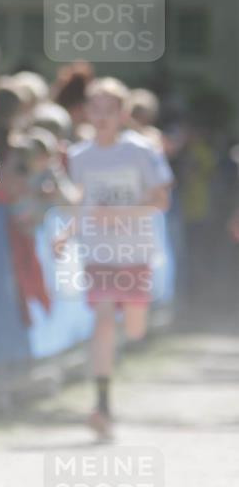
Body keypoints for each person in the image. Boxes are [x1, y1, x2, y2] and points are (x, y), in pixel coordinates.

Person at [66, 78, 173, 440]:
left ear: (123, 114)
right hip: (99, 252)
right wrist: (66, 233)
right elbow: (81, 202)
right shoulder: (79, 156)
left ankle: (107, 392)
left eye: (109, 110)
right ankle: (102, 405)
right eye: (95, 108)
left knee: (134, 329)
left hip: (136, 251)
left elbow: (161, 200)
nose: (101, 116)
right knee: (103, 320)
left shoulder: (141, 150)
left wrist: (121, 214)